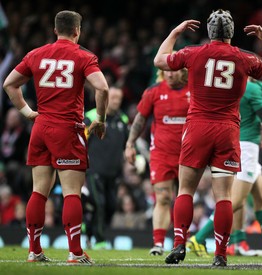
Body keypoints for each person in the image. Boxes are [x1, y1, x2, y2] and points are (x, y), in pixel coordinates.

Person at [153, 9, 262, 266]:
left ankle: (179, 244)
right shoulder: (245, 58)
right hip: (227, 130)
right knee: (223, 196)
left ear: (209, 32)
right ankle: (220, 254)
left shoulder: (193, 52)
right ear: (232, 32)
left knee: (185, 189)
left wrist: (175, 32)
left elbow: (160, 61)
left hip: (197, 127)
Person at [3, 10, 109, 264]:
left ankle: (34, 250)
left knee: (38, 191)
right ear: (77, 31)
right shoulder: (84, 56)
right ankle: (74, 252)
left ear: (55, 30)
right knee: (72, 192)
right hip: (67, 129)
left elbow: (9, 84)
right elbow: (103, 87)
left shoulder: (36, 54)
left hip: (41, 127)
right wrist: (101, 119)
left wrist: (28, 112)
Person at [186, 77, 262, 259]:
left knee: (261, 196)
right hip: (247, 146)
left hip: (240, 142)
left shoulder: (232, 86)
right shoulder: (254, 88)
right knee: (236, 201)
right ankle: (198, 238)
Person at [124, 68, 190, 256]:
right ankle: (158, 243)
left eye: (174, 71)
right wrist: (130, 144)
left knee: (184, 199)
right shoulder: (153, 91)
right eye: (165, 71)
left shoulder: (193, 91)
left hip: (188, 154)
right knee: (163, 198)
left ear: (183, 72)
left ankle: (181, 242)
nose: (169, 74)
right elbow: (140, 119)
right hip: (161, 155)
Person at [83, 86, 128, 249]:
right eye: (114, 98)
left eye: (119, 99)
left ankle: (88, 228)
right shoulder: (90, 116)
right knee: (99, 203)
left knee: (110, 206)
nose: (116, 102)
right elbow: (81, 140)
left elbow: (127, 144)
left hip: (114, 173)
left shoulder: (122, 119)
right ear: (106, 98)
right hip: (94, 170)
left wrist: (133, 155)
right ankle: (100, 240)